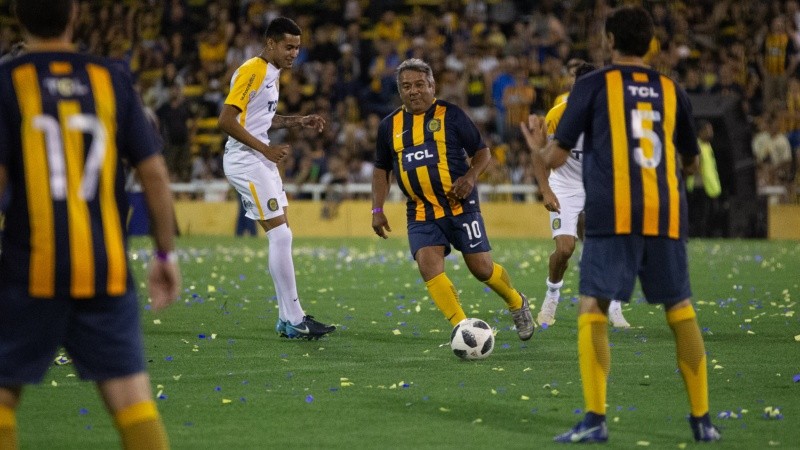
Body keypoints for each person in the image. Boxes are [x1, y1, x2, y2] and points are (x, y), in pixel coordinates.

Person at [522, 5, 720, 443]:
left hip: (613, 212)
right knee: (680, 308)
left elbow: (555, 158)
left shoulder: (592, 85)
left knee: (591, 307)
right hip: (665, 211)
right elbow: (690, 161)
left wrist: (537, 145)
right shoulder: (672, 90)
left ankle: (595, 419)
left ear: (610, 41)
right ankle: (702, 420)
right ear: (651, 43)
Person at [0, 0, 181, 448]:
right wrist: (164, 253)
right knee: (132, 399)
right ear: (76, 15)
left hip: (30, 270)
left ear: (19, 19)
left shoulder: (8, 83)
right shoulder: (110, 78)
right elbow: (154, 174)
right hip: (105, 268)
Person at [371, 58, 534, 341]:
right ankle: (462, 328)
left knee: (481, 268)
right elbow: (381, 168)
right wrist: (377, 208)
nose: (413, 91)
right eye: (406, 86)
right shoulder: (389, 126)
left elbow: (482, 152)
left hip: (461, 206)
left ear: (432, 85)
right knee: (428, 265)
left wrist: (470, 177)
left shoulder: (452, 115)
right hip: (420, 210)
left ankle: (516, 301)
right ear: (399, 91)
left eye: (420, 84)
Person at [217, 17, 335, 340]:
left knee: (282, 235)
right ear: (270, 44)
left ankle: (287, 319)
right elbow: (226, 119)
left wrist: (300, 121)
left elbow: (262, 119)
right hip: (246, 161)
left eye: (297, 47)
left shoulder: (272, 73)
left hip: (258, 159)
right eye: (288, 46)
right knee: (281, 236)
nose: (294, 53)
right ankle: (295, 318)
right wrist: (264, 150)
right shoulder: (252, 70)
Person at [523, 60, 631, 329]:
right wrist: (546, 190)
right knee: (565, 249)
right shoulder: (558, 114)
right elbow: (539, 154)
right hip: (565, 186)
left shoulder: (614, 115)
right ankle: (552, 295)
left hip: (598, 185)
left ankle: (615, 306)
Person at [686, 120, 723, 237]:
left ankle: (703, 235)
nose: (710, 132)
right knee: (699, 215)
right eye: (708, 130)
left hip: (709, 186)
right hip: (699, 185)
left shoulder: (707, 146)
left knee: (708, 215)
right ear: (701, 132)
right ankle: (698, 236)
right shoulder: (697, 145)